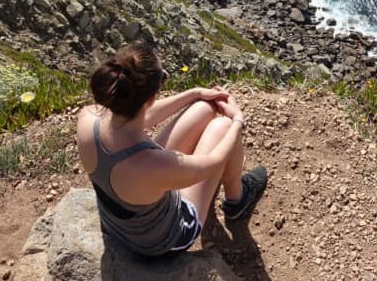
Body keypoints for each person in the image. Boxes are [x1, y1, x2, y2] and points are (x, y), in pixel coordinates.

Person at [75, 40, 267, 257]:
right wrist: (238, 121)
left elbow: (137, 117)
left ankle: (228, 194)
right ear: (151, 97)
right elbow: (214, 162)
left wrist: (195, 94)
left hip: (120, 219)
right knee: (222, 127)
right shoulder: (153, 163)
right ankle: (237, 201)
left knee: (204, 108)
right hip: (162, 239)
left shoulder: (88, 118)